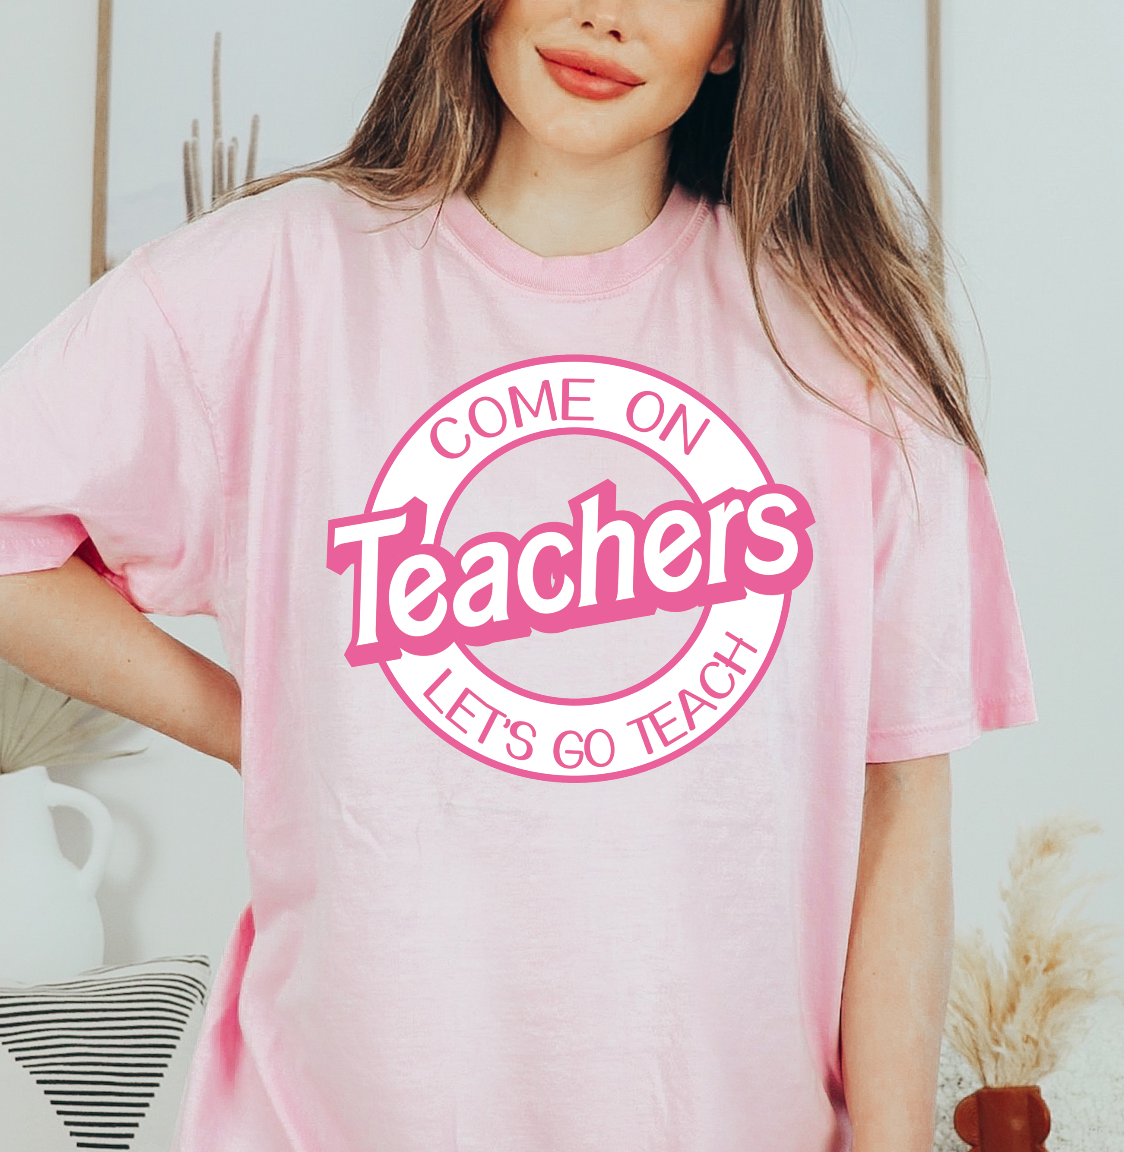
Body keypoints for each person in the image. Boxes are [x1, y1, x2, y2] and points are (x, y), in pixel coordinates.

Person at [0, 0, 1036, 1147]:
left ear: (737, 34)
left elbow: (901, 803)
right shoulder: (280, 275)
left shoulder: (842, 347)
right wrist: (263, 727)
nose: (604, 16)